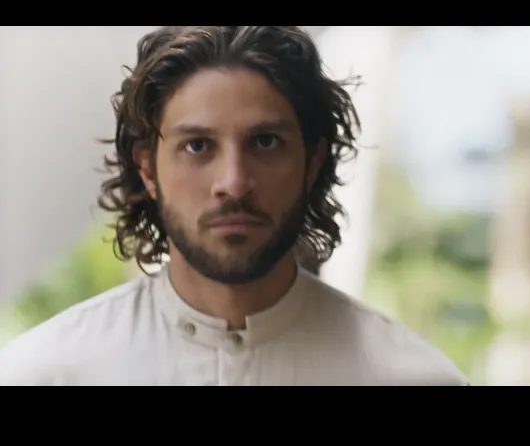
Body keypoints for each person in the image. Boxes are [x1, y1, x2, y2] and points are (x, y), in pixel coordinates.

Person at [0, 26, 469, 386]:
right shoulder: (43, 373)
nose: (234, 182)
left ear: (311, 162)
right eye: (198, 146)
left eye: (265, 142)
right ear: (148, 169)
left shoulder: (410, 376)